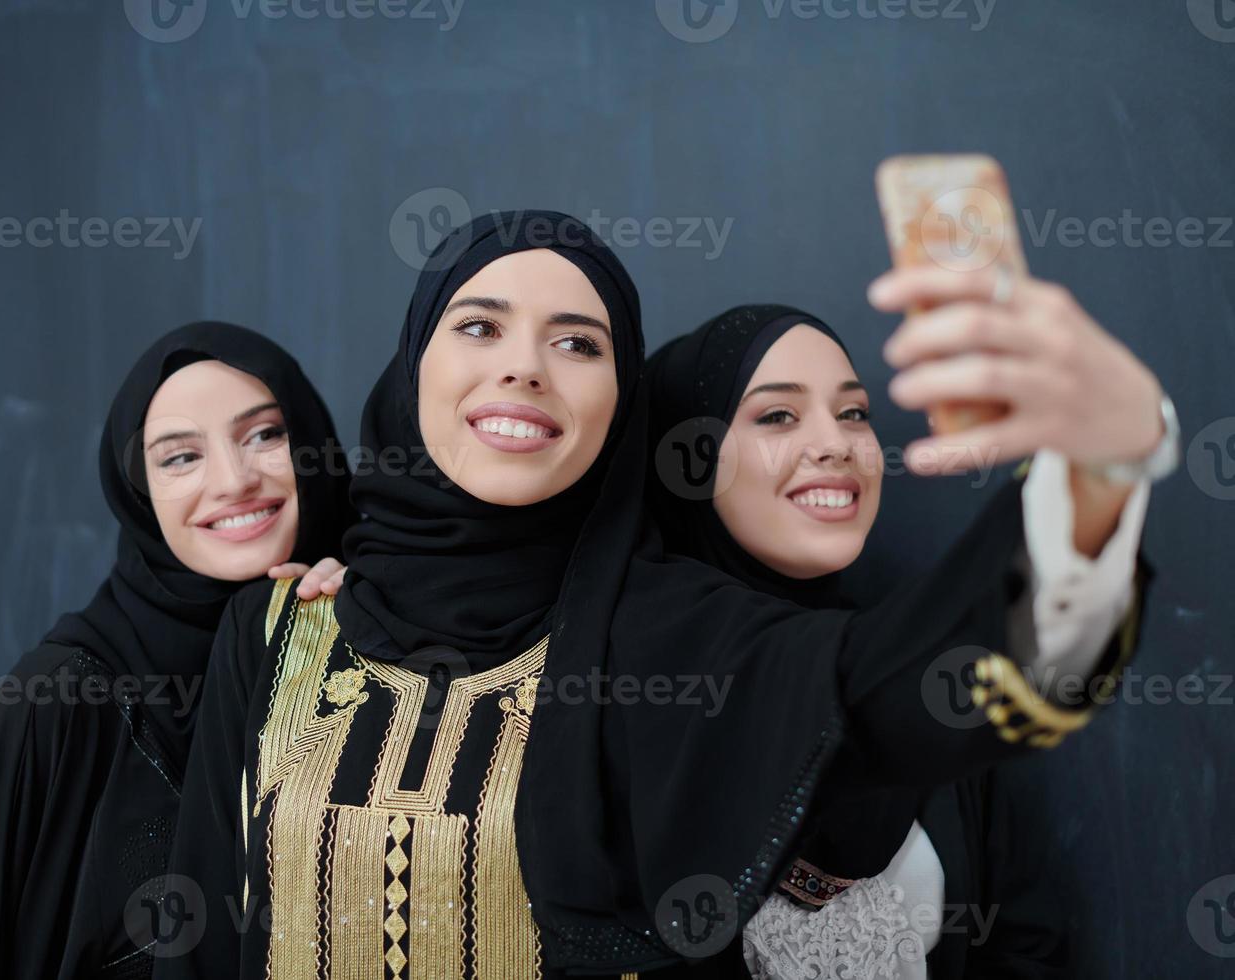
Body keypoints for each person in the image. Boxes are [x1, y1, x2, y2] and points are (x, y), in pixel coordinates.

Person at [156, 213, 1167, 978]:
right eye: (478, 324)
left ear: (619, 404)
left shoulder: (665, 630)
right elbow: (202, 932)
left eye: (578, 342)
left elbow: (888, 687)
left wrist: (1100, 472)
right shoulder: (284, 625)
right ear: (417, 359)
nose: (524, 367)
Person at [646, 304, 1151, 977]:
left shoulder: (932, 686)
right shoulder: (627, 695)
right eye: (776, 416)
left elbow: (1026, 946)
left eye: (854, 413)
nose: (837, 445)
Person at [0, 321, 356, 980]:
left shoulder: (384, 643)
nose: (234, 480)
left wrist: (362, 623)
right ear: (138, 496)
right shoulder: (59, 702)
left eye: (266, 435)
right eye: (180, 456)